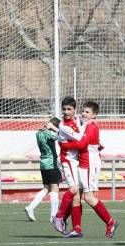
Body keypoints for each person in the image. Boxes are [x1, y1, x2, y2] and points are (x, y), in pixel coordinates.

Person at [59, 101, 119, 239]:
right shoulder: (85, 124)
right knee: (77, 195)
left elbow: (81, 144)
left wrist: (63, 144)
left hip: (90, 163)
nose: (84, 114)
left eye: (87, 112)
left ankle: (111, 222)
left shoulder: (91, 126)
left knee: (88, 197)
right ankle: (76, 228)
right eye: (83, 111)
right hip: (84, 163)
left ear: (94, 115)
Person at [52, 96, 82, 233]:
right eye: (64, 109)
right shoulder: (63, 126)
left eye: (69, 109)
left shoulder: (77, 120)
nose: (66, 112)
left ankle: (76, 228)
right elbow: (80, 140)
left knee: (77, 195)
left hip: (77, 160)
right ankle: (58, 216)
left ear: (75, 110)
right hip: (68, 160)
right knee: (74, 188)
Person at [24, 117, 61, 223]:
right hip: (51, 163)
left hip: (43, 163)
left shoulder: (39, 133)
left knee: (46, 189)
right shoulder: (50, 133)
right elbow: (62, 137)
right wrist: (55, 129)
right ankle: (53, 216)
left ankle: (30, 207)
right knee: (55, 189)